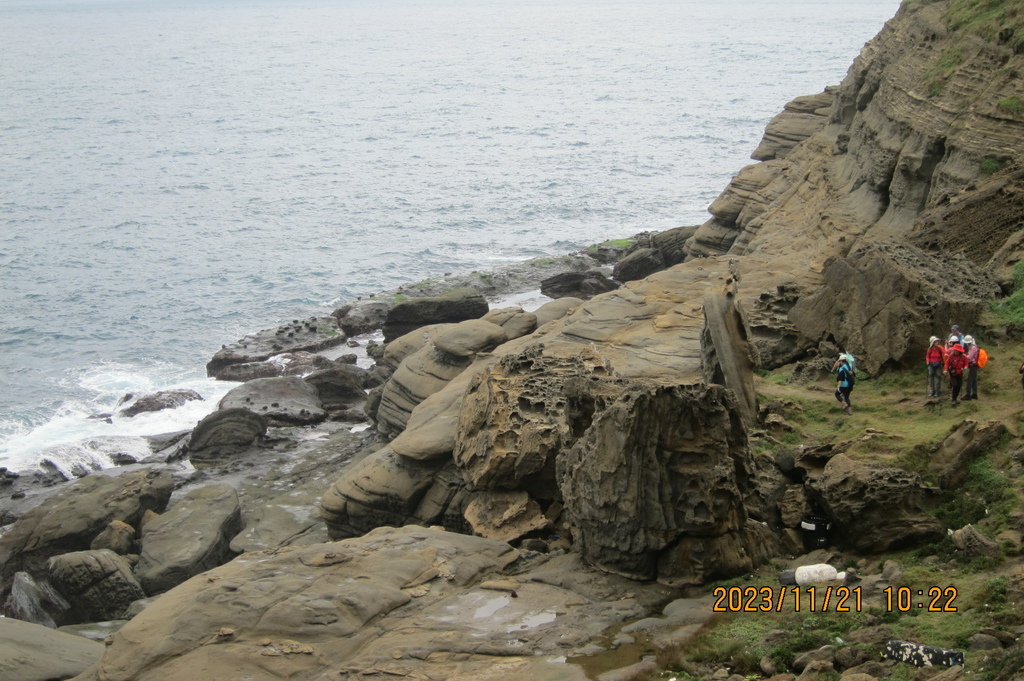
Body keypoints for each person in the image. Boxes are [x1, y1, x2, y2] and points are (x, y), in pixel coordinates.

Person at [962, 335, 980, 400]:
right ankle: (974, 394)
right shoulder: (973, 347)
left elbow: (969, 357)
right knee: (974, 380)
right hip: (974, 365)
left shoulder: (973, 348)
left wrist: (963, 356)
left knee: (970, 380)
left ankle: (968, 394)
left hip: (973, 365)